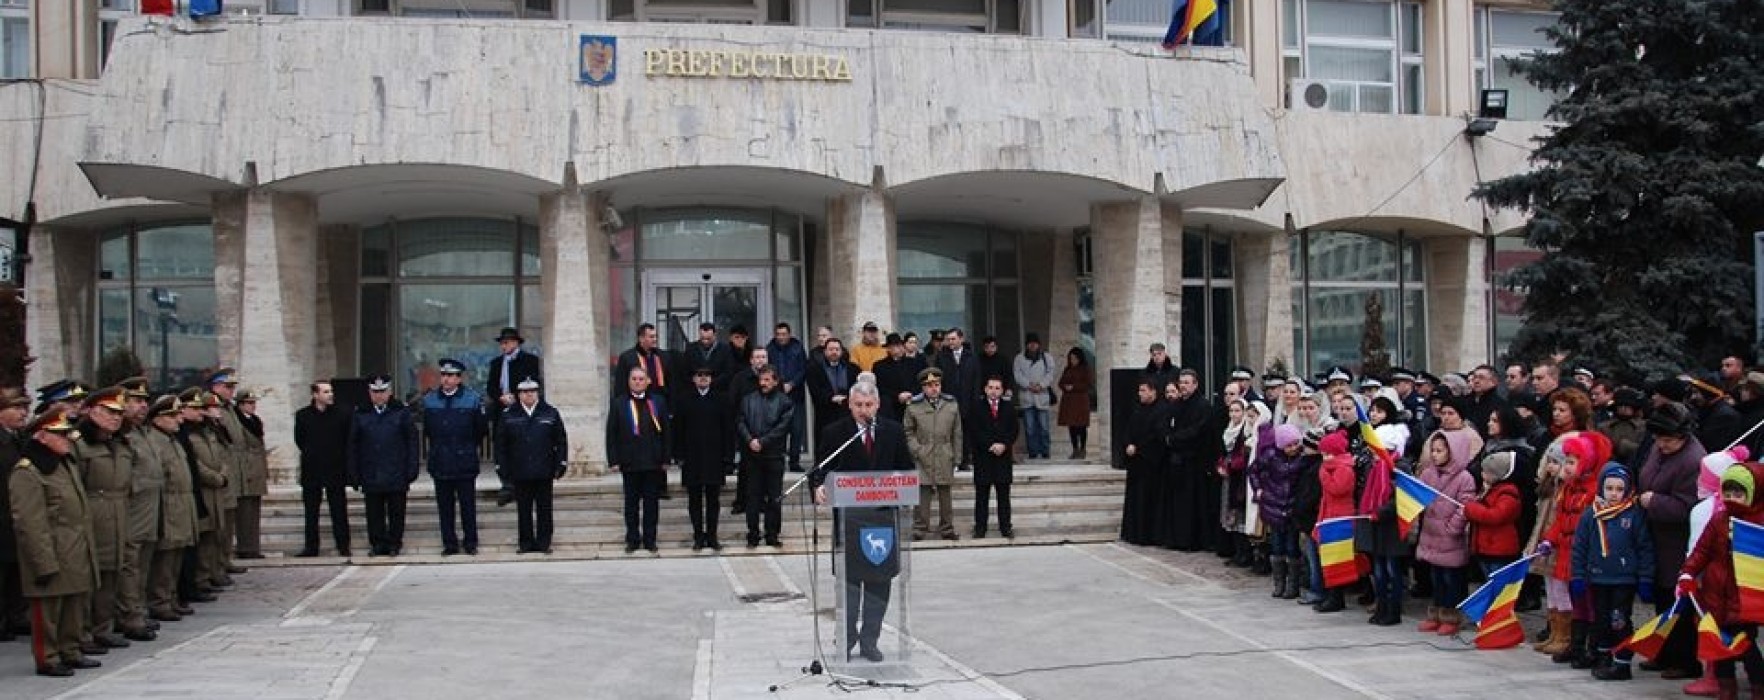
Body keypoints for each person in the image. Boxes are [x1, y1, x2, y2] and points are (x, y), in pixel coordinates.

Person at [812, 382, 912, 663]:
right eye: (858, 405)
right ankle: (846, 639)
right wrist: (819, 486)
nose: (864, 411)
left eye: (869, 405)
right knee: (850, 585)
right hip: (849, 520)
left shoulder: (892, 431)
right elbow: (820, 469)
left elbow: (906, 469)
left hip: (883, 519)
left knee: (879, 584)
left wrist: (902, 486)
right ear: (850, 405)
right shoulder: (835, 433)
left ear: (877, 405)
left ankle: (870, 641)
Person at [9, 409, 101, 677]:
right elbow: (29, 523)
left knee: (73, 605)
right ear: (41, 436)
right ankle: (47, 657)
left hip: (74, 545)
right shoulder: (28, 471)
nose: (66, 439)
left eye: (66, 434)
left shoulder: (64, 463)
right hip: (51, 548)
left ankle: (70, 650)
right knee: (48, 611)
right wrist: (42, 561)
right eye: (59, 434)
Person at [1634, 402, 1707, 679]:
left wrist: (1655, 502)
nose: (1661, 445)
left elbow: (1690, 506)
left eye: (1667, 441)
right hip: (1656, 537)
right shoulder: (1659, 448)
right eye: (1658, 440)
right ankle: (1662, 653)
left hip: (1677, 541)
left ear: (1682, 436)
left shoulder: (1692, 460)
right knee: (1661, 601)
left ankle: (1684, 660)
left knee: (1678, 603)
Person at [1679, 461, 1764, 697]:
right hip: (1715, 596)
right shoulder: (1718, 520)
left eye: (1739, 492)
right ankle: (1726, 688)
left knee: (1746, 647)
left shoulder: (1758, 523)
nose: (1732, 497)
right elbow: (1701, 551)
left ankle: (1759, 686)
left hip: (1743, 600)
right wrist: (1688, 572)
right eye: (1727, 491)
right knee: (1720, 648)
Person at [1571, 463, 1654, 681]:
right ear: (1601, 488)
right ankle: (1604, 655)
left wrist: (1646, 578)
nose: (1614, 494)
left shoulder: (1633, 515)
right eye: (1609, 488)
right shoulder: (1591, 515)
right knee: (1601, 620)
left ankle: (1623, 662)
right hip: (1598, 577)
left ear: (1627, 490)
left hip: (1623, 579)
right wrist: (1577, 575)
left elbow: (1644, 547)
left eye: (1619, 489)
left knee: (1620, 621)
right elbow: (1580, 547)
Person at [69, 388, 132, 652]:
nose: (115, 418)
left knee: (111, 572)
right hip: (92, 513)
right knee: (88, 576)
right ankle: (81, 634)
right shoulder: (79, 444)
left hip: (118, 512)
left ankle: (102, 628)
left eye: (118, 413)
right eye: (109, 412)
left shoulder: (119, 443)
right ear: (91, 411)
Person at [1414, 430, 1479, 635]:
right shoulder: (1428, 473)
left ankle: (1452, 615)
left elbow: (1465, 505)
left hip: (1451, 537)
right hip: (1431, 535)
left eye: (1439, 451)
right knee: (1437, 577)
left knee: (1452, 579)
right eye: (1433, 450)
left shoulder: (1464, 478)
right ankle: (1436, 613)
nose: (1434, 455)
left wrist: (1453, 526)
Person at [422, 359, 489, 556]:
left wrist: (466, 447)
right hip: (441, 460)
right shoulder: (430, 400)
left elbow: (481, 430)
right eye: (444, 375)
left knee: (468, 505)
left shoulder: (472, 399)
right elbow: (428, 430)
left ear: (459, 378)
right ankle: (449, 543)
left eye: (451, 376)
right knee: (445, 506)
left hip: (464, 460)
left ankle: (470, 542)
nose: (446, 379)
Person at [140, 396, 197, 625]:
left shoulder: (171, 440)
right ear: (159, 418)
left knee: (175, 556)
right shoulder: (154, 440)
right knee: (164, 559)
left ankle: (170, 597)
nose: (178, 420)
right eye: (172, 416)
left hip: (182, 503)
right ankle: (159, 601)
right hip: (168, 503)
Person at [348, 375, 419, 557]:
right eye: (375, 392)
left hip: (396, 471)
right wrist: (354, 472)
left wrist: (411, 468)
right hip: (371, 471)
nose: (379, 396)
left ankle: (395, 543)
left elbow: (412, 442)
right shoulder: (361, 413)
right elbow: (353, 445)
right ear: (369, 393)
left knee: (396, 511)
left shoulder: (401, 412)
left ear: (390, 392)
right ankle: (377, 543)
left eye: (382, 392)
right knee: (374, 512)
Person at [606, 367, 670, 553]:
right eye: (634, 378)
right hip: (630, 462)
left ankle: (650, 539)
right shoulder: (619, 403)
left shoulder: (658, 401)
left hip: (652, 461)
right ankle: (632, 539)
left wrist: (666, 457)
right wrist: (614, 460)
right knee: (631, 504)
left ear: (648, 381)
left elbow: (666, 432)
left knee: (651, 504)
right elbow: (612, 433)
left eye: (641, 378)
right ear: (628, 381)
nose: (637, 382)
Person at [501, 378, 568, 554]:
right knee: (524, 509)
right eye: (524, 392)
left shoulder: (550, 413)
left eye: (532, 391)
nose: (528, 395)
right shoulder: (509, 414)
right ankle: (526, 543)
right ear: (519, 394)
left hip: (544, 469)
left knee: (544, 508)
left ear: (537, 392)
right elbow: (501, 445)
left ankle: (544, 543)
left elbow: (561, 440)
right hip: (520, 469)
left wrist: (561, 463)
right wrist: (502, 468)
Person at [676, 367, 734, 551]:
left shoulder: (721, 399)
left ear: (711, 379)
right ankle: (698, 536)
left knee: (713, 499)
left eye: (707, 376)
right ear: (694, 379)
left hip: (714, 458)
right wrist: (679, 455)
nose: (703, 379)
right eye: (699, 375)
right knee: (694, 499)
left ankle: (712, 536)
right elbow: (678, 428)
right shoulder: (684, 399)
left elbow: (728, 430)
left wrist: (728, 457)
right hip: (692, 458)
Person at [736, 364, 793, 548]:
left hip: (774, 456)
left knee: (774, 498)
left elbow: (783, 427)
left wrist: (763, 441)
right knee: (752, 497)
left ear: (776, 381)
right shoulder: (748, 400)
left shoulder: (785, 402)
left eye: (768, 380)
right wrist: (750, 440)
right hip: (752, 456)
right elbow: (741, 421)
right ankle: (753, 533)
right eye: (761, 379)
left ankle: (772, 534)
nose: (764, 383)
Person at [1251, 424, 1311, 599]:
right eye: (1288, 445)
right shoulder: (1270, 456)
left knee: (1292, 547)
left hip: (1292, 507)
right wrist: (1259, 489)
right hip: (1274, 505)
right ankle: (1279, 583)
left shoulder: (1302, 459)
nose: (1292, 448)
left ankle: (1292, 584)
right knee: (1277, 546)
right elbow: (1254, 471)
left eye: (1294, 444)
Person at [293, 381, 352, 557]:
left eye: (331, 391)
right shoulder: (303, 415)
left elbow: (346, 439)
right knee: (311, 511)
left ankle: (343, 545)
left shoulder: (342, 414)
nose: (330, 394)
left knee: (339, 509)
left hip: (335, 468)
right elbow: (300, 440)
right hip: (312, 469)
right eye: (326, 392)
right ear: (315, 395)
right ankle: (311, 547)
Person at [905, 367, 963, 541]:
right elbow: (908, 431)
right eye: (929, 385)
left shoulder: (951, 404)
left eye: (936, 384)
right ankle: (920, 528)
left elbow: (957, 433)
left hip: (944, 452)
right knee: (923, 492)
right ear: (923, 387)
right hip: (923, 452)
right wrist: (917, 449)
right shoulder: (914, 406)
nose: (933, 388)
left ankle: (947, 528)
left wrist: (957, 456)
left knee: (945, 493)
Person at [487, 326, 542, 506]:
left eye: (508, 342)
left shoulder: (529, 360)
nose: (504, 346)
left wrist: (517, 397)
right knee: (501, 447)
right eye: (502, 343)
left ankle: (518, 483)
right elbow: (491, 387)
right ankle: (506, 483)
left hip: (520, 408)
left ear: (516, 343)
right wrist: (500, 397)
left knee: (519, 446)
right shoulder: (496, 363)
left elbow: (533, 384)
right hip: (502, 410)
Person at [1119, 379, 1168, 546]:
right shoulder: (1138, 410)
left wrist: (1138, 448)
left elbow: (1156, 436)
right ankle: (1133, 533)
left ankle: (1148, 535)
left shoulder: (1161, 410)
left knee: (1148, 500)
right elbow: (1128, 430)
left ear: (1153, 392)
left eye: (1143, 390)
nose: (1140, 394)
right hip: (1136, 464)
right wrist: (1128, 444)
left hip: (1150, 463)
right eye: (1139, 390)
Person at [971, 377, 1018, 539]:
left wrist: (1004, 445)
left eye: (997, 388)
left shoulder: (1009, 408)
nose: (993, 391)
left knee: (1003, 496)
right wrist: (990, 445)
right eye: (990, 387)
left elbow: (1014, 430)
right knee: (982, 496)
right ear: (985, 389)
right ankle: (980, 528)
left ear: (1002, 391)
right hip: (983, 457)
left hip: (1003, 458)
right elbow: (974, 430)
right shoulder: (976, 407)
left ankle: (1006, 527)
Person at [0, 389, 30, 640]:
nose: (23, 413)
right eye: (16, 408)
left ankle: (15, 616)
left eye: (25, 408)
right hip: (2, 514)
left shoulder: (20, 438)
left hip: (16, 514)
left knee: (16, 569)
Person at [933, 328, 981, 471]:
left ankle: (964, 460)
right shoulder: (942, 356)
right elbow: (938, 378)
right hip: (948, 400)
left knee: (965, 431)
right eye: (949, 340)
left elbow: (976, 380)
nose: (950, 342)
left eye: (953, 339)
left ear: (961, 339)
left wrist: (975, 400)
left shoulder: (971, 356)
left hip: (967, 401)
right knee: (948, 431)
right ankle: (951, 460)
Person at [766, 322, 811, 472]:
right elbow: (768, 370)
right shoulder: (770, 349)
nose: (781, 337)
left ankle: (794, 462)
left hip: (796, 396)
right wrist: (778, 384)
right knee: (778, 430)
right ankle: (778, 460)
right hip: (776, 396)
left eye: (783, 334)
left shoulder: (798, 348)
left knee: (796, 430)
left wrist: (792, 383)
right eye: (778, 334)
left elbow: (804, 369)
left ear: (789, 334)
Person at [232, 388, 269, 563]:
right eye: (248, 403)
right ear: (240, 405)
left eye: (253, 403)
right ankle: (245, 547)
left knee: (254, 511)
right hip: (246, 469)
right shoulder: (238, 421)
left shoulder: (255, 421)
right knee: (244, 512)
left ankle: (253, 546)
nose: (252, 406)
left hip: (256, 468)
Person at [1012, 333, 1056, 461]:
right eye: (1030, 343)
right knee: (1030, 427)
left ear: (1039, 344)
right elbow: (1017, 375)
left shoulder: (1046, 358)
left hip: (1042, 396)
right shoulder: (1019, 358)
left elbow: (1050, 374)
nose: (1032, 345)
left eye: (1035, 343)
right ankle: (1033, 451)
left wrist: (1041, 385)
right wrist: (1028, 385)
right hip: (1027, 396)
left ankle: (1045, 451)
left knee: (1044, 427)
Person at [807, 337, 860, 439]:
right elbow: (815, 391)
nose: (834, 352)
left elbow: (857, 387)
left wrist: (847, 399)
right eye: (831, 349)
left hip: (847, 412)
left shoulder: (852, 369)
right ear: (825, 351)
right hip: (825, 414)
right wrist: (831, 398)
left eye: (837, 349)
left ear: (841, 351)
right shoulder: (815, 370)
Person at [872, 333, 923, 423]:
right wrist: (897, 396)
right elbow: (880, 387)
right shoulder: (879, 366)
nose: (899, 348)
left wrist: (911, 394)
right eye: (895, 346)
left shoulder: (912, 363)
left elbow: (919, 383)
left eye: (900, 345)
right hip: (890, 408)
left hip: (911, 404)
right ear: (888, 348)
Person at [1057, 348, 1093, 460]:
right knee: (1071, 426)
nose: (1072, 361)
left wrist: (1074, 387)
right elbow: (1060, 383)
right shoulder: (1067, 369)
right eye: (1071, 358)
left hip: (1080, 401)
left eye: (1074, 358)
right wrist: (1065, 387)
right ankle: (1075, 449)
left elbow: (1088, 384)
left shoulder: (1085, 369)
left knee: (1081, 426)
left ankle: (1082, 449)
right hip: (1069, 401)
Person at [682, 322, 734, 387]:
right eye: (702, 338)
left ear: (715, 335)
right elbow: (685, 370)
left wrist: (712, 381)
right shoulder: (691, 348)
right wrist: (695, 380)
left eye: (708, 339)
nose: (705, 341)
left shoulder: (725, 349)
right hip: (694, 388)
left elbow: (729, 372)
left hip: (719, 389)